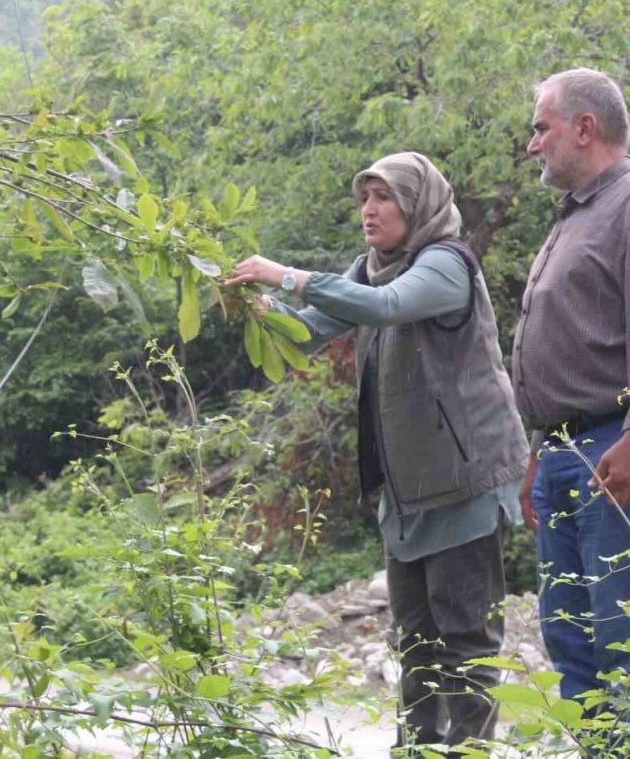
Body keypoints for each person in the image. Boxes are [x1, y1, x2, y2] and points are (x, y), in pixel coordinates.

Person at [225, 152, 528, 754]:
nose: (369, 209)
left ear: (416, 204)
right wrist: (254, 309)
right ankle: (413, 750)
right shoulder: (370, 271)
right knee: (413, 641)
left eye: (383, 197)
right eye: (364, 197)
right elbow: (309, 331)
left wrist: (285, 275)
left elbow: (388, 308)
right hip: (407, 492)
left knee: (466, 642)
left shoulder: (446, 264)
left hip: (464, 485)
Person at [512, 68, 630, 704]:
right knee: (572, 641)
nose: (533, 144)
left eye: (542, 129)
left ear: (584, 128)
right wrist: (540, 448)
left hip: (620, 448)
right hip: (570, 451)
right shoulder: (577, 215)